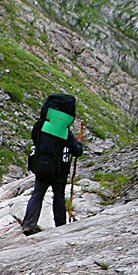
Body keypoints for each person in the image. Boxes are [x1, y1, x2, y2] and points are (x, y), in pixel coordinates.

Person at [22, 93, 83, 235]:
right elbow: (77, 151)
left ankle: (29, 224)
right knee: (59, 196)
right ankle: (60, 226)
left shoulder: (41, 125)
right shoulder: (65, 132)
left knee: (37, 193)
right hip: (59, 171)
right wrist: (79, 143)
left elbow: (35, 139)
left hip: (41, 166)